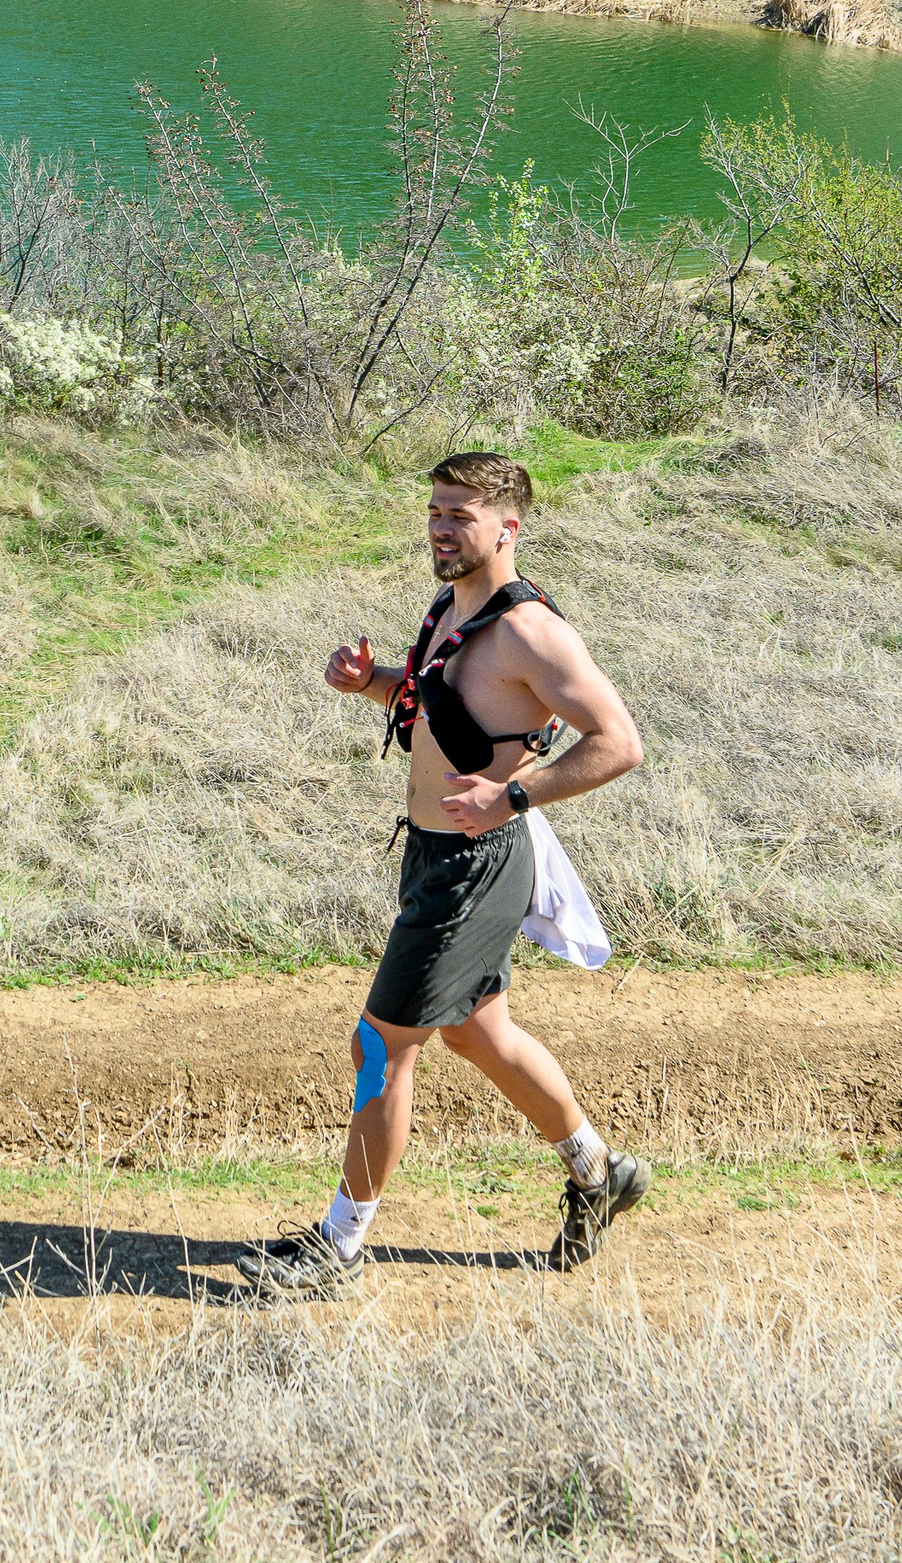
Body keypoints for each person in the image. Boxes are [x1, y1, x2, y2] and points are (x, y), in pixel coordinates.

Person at [240, 451, 647, 1296]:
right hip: (433, 857)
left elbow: (619, 742)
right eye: (434, 510)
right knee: (476, 1031)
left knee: (380, 1047)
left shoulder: (532, 631)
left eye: (459, 514)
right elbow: (443, 708)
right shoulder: (452, 608)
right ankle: (597, 1171)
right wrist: (372, 682)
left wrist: (515, 796)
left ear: (508, 527)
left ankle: (337, 1248)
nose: (439, 526)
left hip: (475, 867)